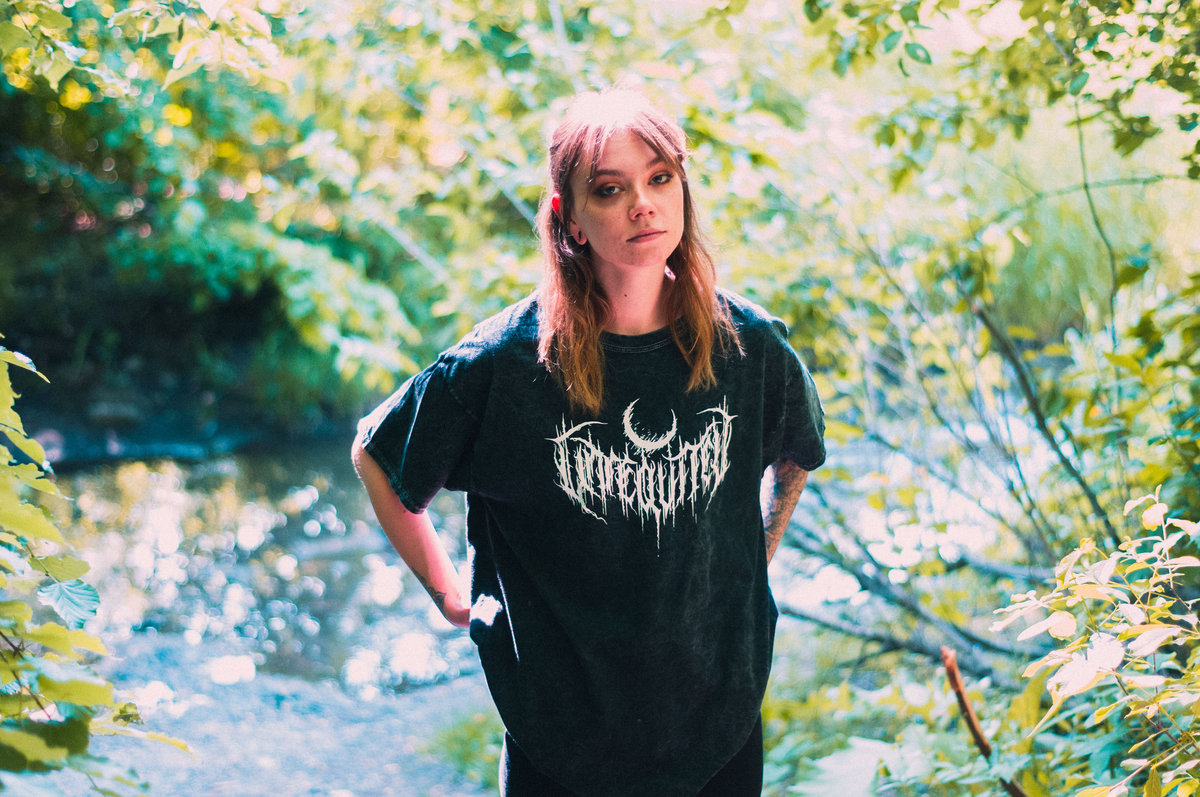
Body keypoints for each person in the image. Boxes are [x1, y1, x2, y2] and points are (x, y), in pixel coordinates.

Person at [351, 87, 825, 797]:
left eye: (660, 178)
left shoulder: (749, 347)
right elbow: (378, 455)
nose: (643, 205)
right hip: (559, 738)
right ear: (568, 218)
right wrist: (449, 595)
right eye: (610, 189)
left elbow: (798, 448)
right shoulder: (503, 364)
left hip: (715, 723)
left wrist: (754, 554)